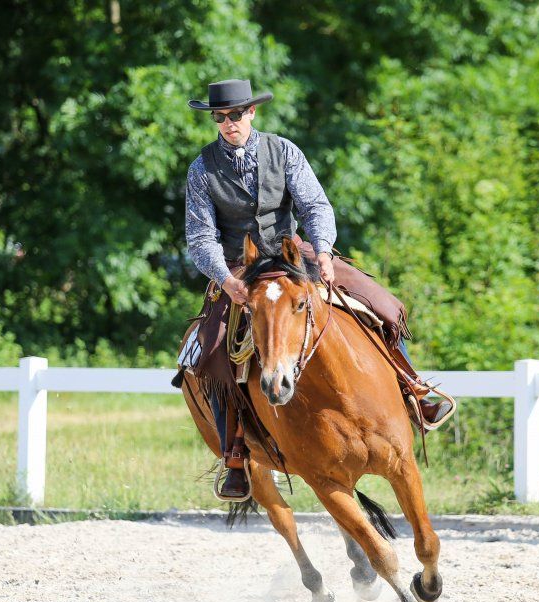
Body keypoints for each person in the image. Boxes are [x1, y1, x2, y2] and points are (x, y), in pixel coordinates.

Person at [183, 79, 453, 499]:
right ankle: (235, 455)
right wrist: (227, 279)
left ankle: (414, 389)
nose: (228, 123)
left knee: (378, 301)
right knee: (212, 348)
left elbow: (314, 205)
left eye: (235, 115)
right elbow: (201, 238)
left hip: (295, 255)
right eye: (220, 117)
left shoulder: (285, 151)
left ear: (251, 113)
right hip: (240, 268)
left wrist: (324, 252)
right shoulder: (202, 168)